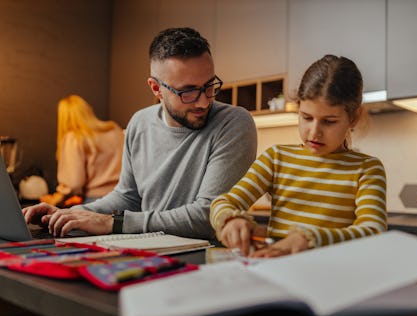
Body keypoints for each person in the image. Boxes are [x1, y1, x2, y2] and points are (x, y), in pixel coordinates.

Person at [23, 27, 257, 239]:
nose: (204, 102)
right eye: (188, 91)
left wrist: (113, 223)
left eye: (209, 86)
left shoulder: (234, 122)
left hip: (202, 258)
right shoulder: (139, 123)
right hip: (146, 247)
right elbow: (128, 197)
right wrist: (70, 214)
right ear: (156, 89)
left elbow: (208, 216)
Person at [210, 55, 387, 257]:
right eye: (306, 117)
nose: (314, 132)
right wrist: (230, 220)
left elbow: (373, 231)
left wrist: (309, 239)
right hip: (279, 271)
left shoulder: (367, 169)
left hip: (338, 274)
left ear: (353, 118)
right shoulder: (276, 158)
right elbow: (223, 202)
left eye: (329, 121)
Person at [39, 95, 124, 207]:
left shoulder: (74, 137)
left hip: (96, 202)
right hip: (124, 200)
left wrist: (55, 200)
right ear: (88, 110)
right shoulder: (115, 130)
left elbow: (74, 184)